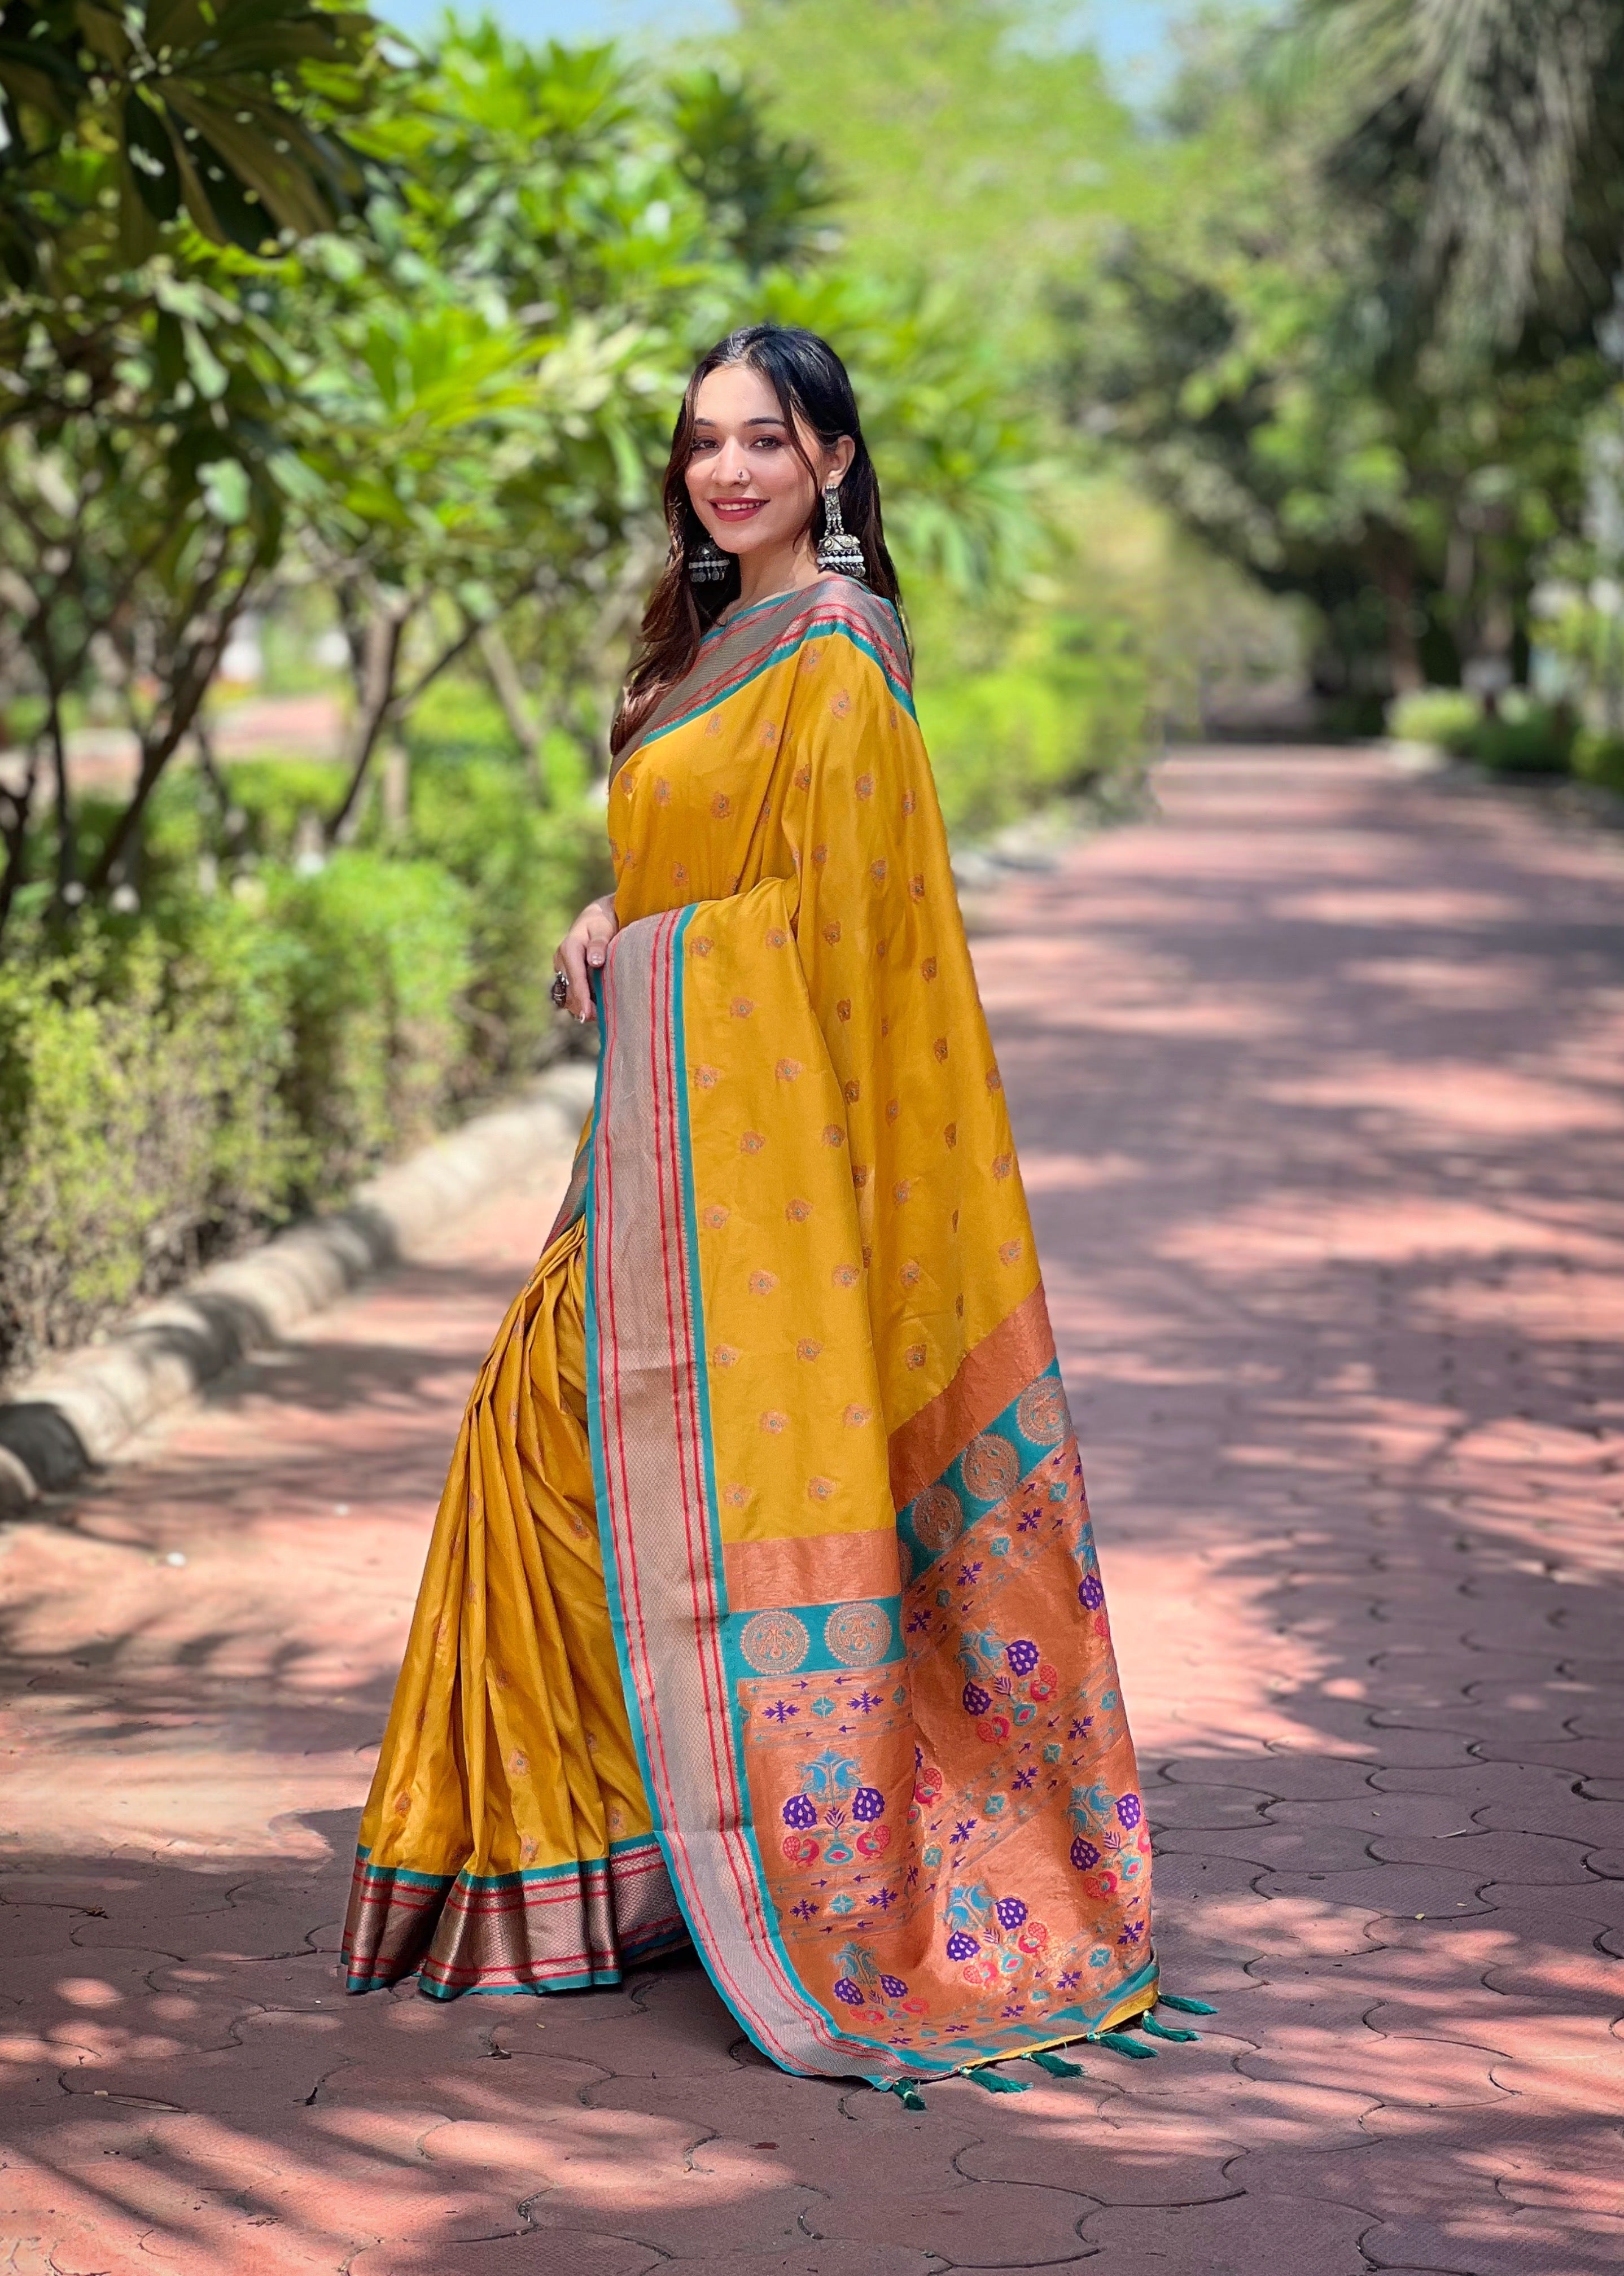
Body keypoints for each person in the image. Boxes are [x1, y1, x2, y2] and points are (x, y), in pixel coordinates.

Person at [342, 323, 1159, 2090]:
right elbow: (712, 873)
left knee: (555, 1456)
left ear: (833, 467)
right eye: (704, 443)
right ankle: (616, 1867)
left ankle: (663, 1869)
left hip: (758, 1183)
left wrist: (660, 953)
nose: (726, 472)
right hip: (660, 1157)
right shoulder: (714, 644)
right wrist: (606, 913)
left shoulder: (840, 660)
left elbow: (845, 947)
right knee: (533, 1457)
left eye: (765, 444)